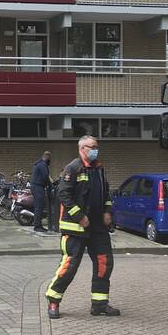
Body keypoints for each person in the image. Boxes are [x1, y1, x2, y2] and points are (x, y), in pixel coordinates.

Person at [45, 135, 120, 319]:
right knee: (69, 266)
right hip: (75, 229)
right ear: (82, 149)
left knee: (104, 263)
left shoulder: (99, 169)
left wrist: (107, 211)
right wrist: (80, 217)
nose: (95, 149)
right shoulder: (73, 168)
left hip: (98, 229)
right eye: (91, 147)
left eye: (96, 146)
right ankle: (53, 300)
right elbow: (63, 195)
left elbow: (106, 193)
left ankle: (99, 305)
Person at [30, 151, 52, 233]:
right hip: (38, 187)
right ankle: (37, 226)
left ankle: (37, 225)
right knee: (39, 206)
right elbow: (45, 177)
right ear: (47, 157)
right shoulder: (43, 164)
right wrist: (50, 185)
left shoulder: (38, 164)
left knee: (38, 206)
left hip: (35, 186)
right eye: (50, 158)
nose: (50, 160)